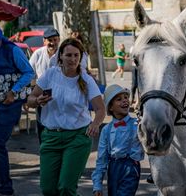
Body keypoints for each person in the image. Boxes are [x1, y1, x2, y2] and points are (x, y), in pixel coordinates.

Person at [27, 38, 105, 196]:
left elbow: (100, 108)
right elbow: (30, 99)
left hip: (77, 138)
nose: (73, 59)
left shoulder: (86, 79)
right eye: (69, 55)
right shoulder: (50, 75)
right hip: (51, 137)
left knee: (66, 188)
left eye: (76, 55)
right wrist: (37, 100)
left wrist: (95, 124)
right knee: (48, 189)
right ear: (60, 56)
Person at [0, 24, 34, 196]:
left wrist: (13, 91)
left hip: (9, 105)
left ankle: (4, 188)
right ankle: (0, 187)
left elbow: (29, 73)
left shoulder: (13, 51)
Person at [92, 84, 144, 196]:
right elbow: (101, 159)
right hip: (113, 168)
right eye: (119, 99)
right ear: (110, 107)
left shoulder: (137, 124)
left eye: (126, 97)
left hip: (131, 168)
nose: (125, 101)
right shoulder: (106, 130)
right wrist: (97, 185)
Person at [29, 27, 61, 141]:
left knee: (58, 126)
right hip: (41, 94)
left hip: (59, 95)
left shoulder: (63, 54)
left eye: (55, 39)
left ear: (59, 39)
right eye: (50, 40)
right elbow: (29, 73)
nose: (52, 43)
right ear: (44, 41)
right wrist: (29, 94)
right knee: (42, 125)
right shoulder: (38, 53)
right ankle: (44, 151)